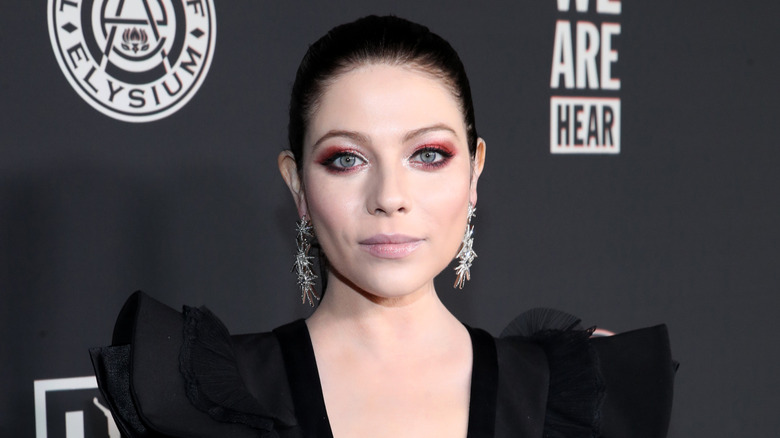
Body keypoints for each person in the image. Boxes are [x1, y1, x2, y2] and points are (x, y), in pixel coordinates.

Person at [90, 15, 676, 438]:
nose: (390, 197)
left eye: (428, 155)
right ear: (297, 185)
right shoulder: (197, 401)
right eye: (346, 159)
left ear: (475, 172)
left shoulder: (573, 395)